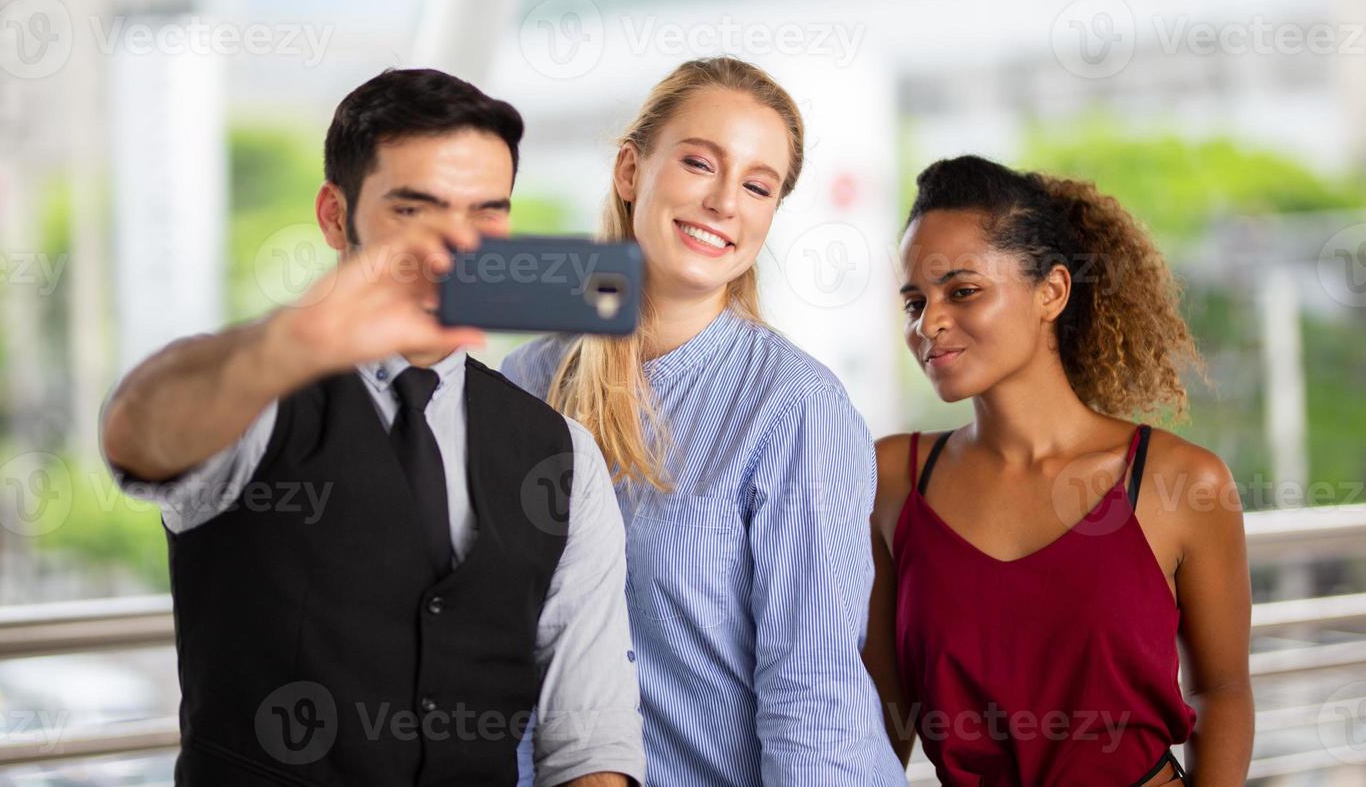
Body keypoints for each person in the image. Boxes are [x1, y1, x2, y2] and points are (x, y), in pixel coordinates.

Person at [102, 67, 644, 786]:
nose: (453, 246)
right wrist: (291, 343)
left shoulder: (560, 457)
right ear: (335, 216)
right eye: (415, 211)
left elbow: (590, 738)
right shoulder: (255, 400)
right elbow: (140, 433)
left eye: (486, 212)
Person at [502, 56, 906, 785]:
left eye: (758, 186)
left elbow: (812, 694)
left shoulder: (795, 409)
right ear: (631, 171)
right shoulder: (528, 384)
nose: (726, 202)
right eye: (699, 163)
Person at [865, 154, 1254, 786]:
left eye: (962, 291)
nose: (929, 323)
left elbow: (1224, 689)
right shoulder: (892, 479)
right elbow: (882, 721)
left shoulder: (1181, 482)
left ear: (1052, 291)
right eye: (915, 302)